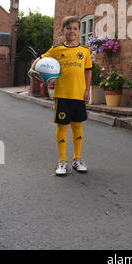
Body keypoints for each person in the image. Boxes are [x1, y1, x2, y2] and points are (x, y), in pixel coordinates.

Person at [30, 16, 92, 176]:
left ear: (79, 32)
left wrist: (87, 91)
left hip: (78, 95)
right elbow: (40, 60)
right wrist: (32, 68)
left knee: (77, 126)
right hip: (62, 95)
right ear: (63, 30)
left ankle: (77, 159)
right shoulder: (56, 50)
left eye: (75, 28)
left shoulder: (85, 51)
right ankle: (62, 161)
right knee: (62, 126)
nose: (72, 31)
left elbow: (88, 71)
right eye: (68, 28)